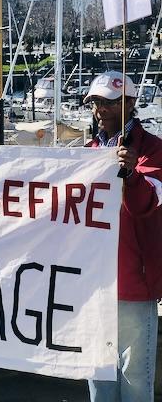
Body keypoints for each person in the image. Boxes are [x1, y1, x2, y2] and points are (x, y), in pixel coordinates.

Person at [85, 71, 162, 401]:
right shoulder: (87, 152)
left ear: (129, 104)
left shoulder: (154, 150)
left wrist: (131, 174)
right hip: (92, 287)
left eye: (108, 102)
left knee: (135, 383)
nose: (100, 109)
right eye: (95, 102)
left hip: (134, 285)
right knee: (99, 380)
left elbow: (148, 203)